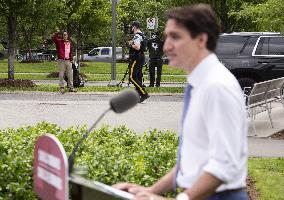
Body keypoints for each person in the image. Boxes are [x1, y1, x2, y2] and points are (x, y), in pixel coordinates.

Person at [114, 4, 248, 200]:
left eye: (175, 37)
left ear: (201, 39)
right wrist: (150, 191)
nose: (166, 45)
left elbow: (225, 165)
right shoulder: (199, 83)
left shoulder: (217, 87)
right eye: (167, 36)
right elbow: (191, 161)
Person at [128, 21, 150, 103]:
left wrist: (130, 44)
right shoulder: (143, 35)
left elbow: (137, 47)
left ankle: (144, 93)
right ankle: (138, 95)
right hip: (141, 57)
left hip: (136, 57)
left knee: (132, 77)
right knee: (138, 76)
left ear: (134, 27)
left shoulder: (137, 35)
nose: (131, 28)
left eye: (132, 27)